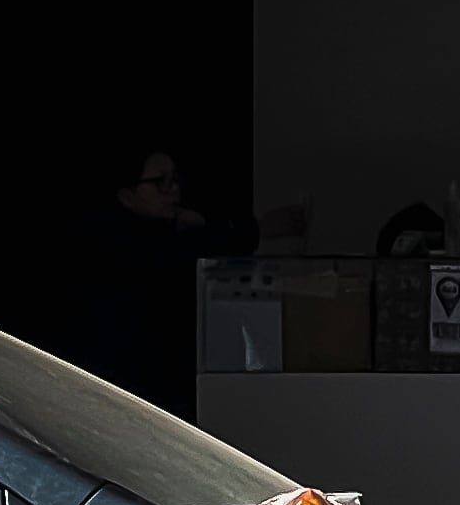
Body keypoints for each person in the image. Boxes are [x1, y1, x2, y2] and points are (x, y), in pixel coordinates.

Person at [70, 147, 304, 421]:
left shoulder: (163, 237)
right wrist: (254, 229)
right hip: (138, 390)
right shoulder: (125, 245)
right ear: (127, 196)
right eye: (160, 183)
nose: (173, 190)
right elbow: (177, 251)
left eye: (175, 180)